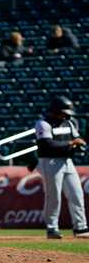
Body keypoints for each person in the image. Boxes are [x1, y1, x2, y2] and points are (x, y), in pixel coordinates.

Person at [35, 96, 89, 239]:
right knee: (54, 196)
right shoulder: (43, 123)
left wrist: (78, 144)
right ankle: (52, 228)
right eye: (63, 112)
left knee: (76, 194)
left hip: (67, 161)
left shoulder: (69, 123)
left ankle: (80, 227)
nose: (66, 116)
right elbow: (47, 144)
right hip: (50, 161)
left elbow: (78, 140)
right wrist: (71, 144)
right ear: (55, 111)